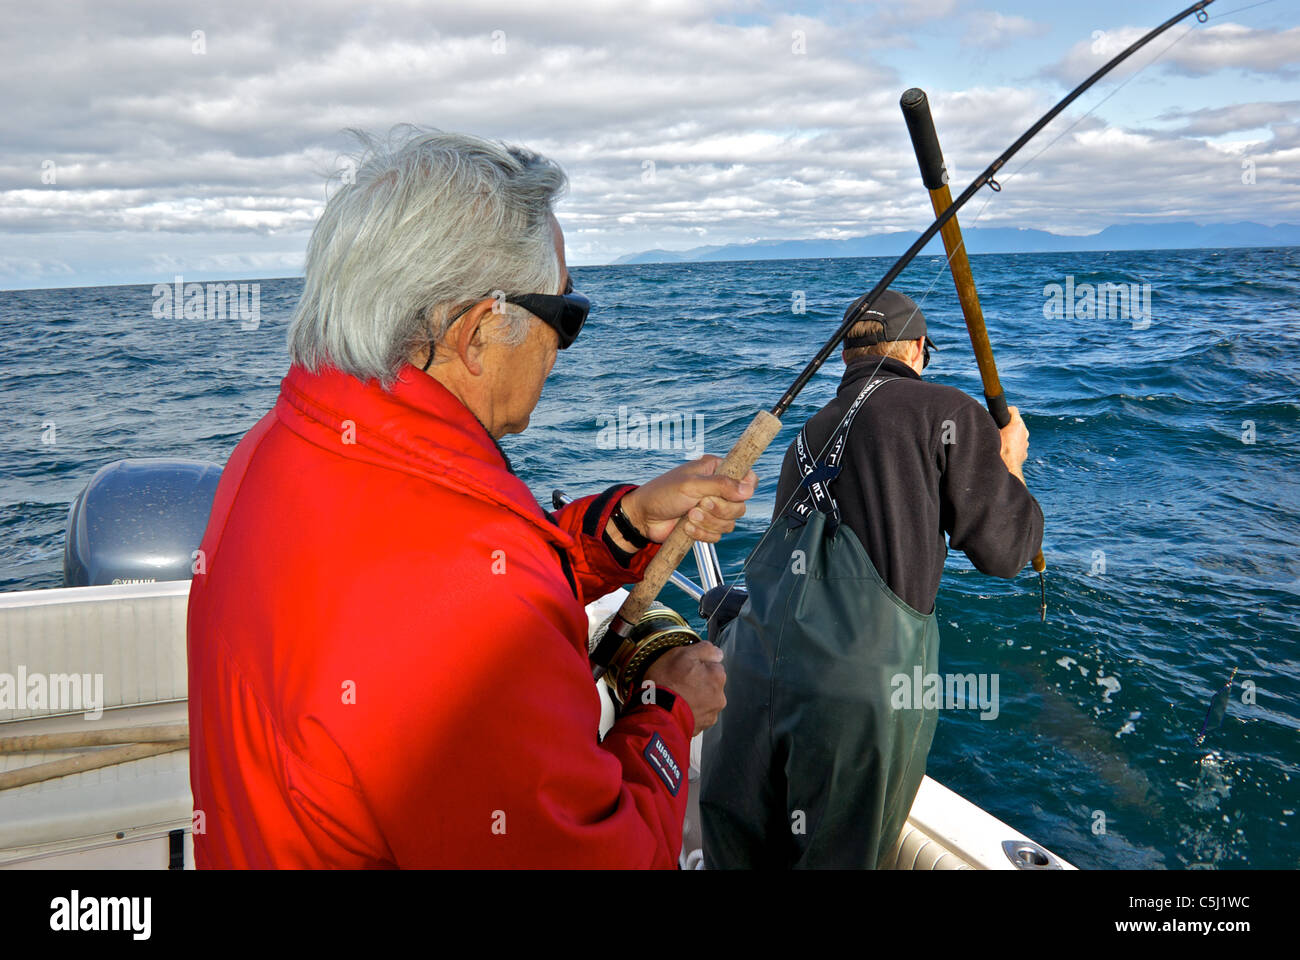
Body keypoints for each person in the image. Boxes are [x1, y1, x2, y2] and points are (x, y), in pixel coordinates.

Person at [187, 127, 757, 868]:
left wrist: (624, 526)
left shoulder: (286, 446)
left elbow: (443, 579)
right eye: (566, 316)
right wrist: (668, 712)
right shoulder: (459, 597)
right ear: (480, 331)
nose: (562, 347)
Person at [700, 288, 1042, 868]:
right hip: (854, 698)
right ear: (914, 349)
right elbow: (1006, 551)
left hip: (748, 677)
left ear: (847, 357)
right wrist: (1010, 465)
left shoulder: (805, 436)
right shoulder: (949, 412)